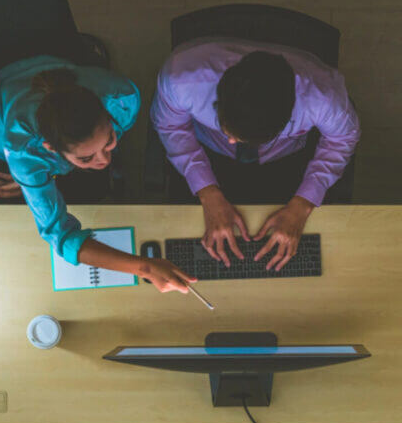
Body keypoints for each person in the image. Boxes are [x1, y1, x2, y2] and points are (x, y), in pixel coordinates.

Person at [0, 55, 196, 294]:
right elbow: (61, 237)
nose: (105, 161)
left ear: (108, 117)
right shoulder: (23, 151)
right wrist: (145, 268)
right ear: (50, 149)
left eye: (109, 140)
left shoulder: (123, 98)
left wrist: (42, 179)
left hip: (46, 78)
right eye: (86, 158)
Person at [151, 38, 360, 272]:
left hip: (285, 159)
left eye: (238, 137)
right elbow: (172, 127)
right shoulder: (181, 78)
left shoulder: (323, 97)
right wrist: (207, 191)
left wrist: (303, 204)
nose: (232, 140)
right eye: (227, 128)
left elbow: (342, 138)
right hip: (206, 151)